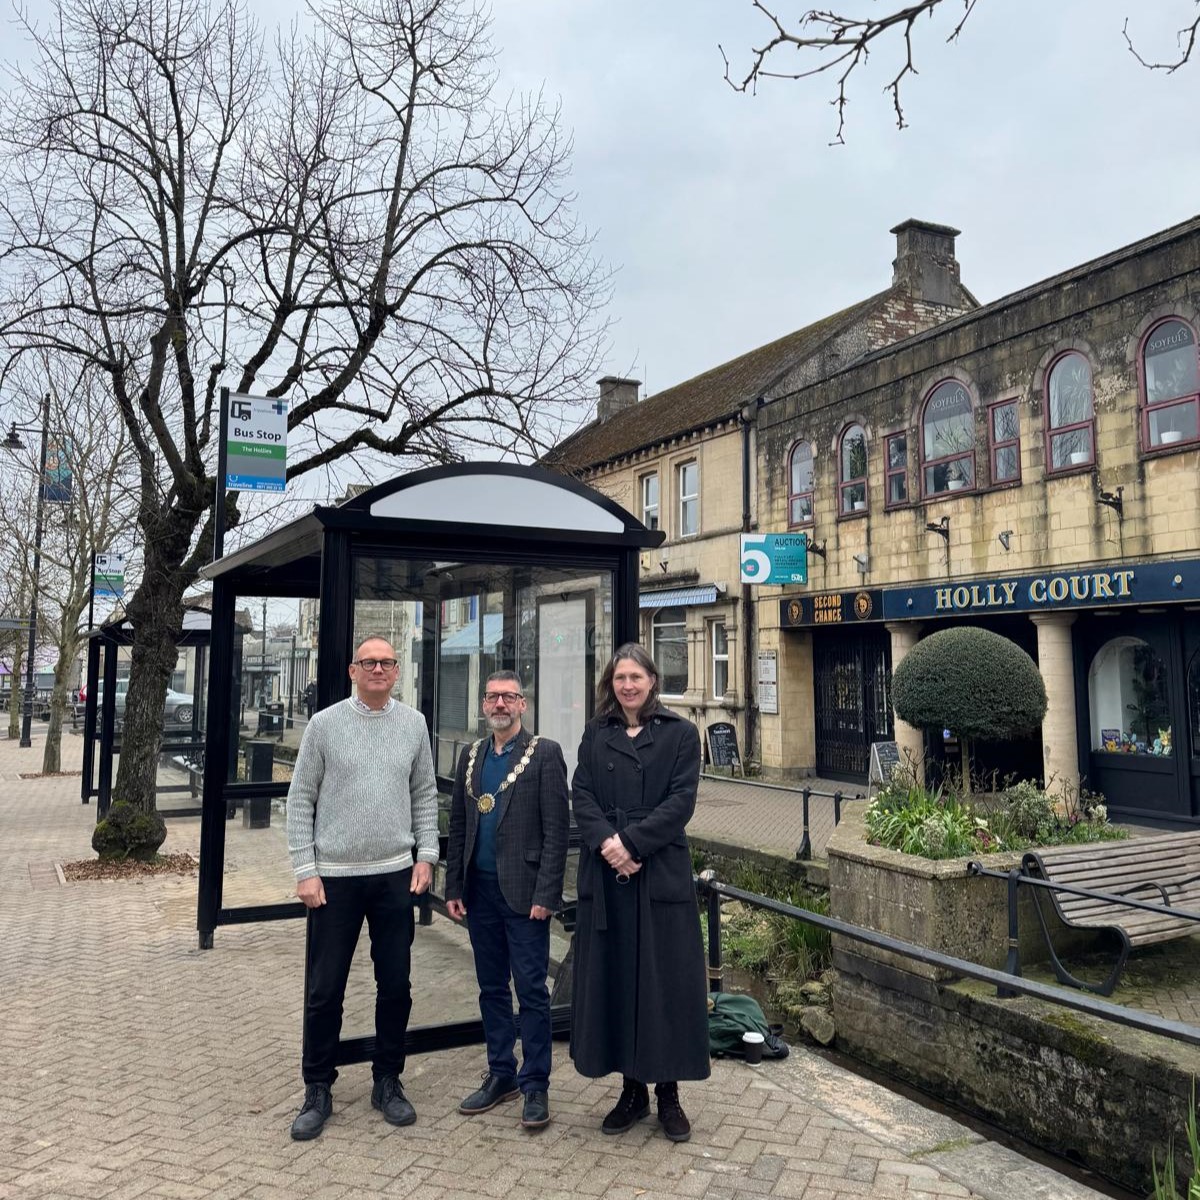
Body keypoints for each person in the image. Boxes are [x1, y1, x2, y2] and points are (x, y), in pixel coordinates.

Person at [285, 637, 440, 1141]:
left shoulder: (413, 725)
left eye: (387, 663)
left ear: (397, 671)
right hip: (334, 879)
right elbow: (300, 799)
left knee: (395, 985)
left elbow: (424, 794)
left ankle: (387, 1080)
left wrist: (427, 856)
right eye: (369, 662)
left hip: (395, 874)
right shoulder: (324, 725)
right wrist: (305, 868)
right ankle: (318, 1087)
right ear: (353, 670)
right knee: (325, 988)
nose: (378, 669)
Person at [569, 643, 710, 1143]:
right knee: (618, 980)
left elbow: (681, 802)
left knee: (663, 982)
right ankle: (631, 1090)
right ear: (612, 683)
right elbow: (581, 791)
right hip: (609, 875)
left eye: (636, 676)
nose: (627, 685)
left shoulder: (681, 734)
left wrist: (631, 843)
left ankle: (668, 1092)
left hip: (658, 873)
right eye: (620, 677)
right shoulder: (596, 732)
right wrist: (608, 843)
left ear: (652, 680)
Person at [446, 671, 569, 1131]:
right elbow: (459, 824)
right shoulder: (471, 755)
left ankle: (535, 1083)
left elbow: (558, 831)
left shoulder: (545, 754)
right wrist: (453, 887)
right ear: (484, 704)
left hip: (525, 896)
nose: (500, 704)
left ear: (522, 705)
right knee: (491, 989)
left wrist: (547, 895)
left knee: (532, 993)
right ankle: (502, 1074)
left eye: (508, 697)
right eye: (493, 697)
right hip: (479, 894)